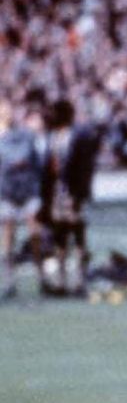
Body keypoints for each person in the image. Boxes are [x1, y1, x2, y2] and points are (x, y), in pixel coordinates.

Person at [37, 98, 100, 297]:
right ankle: (62, 281)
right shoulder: (52, 137)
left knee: (79, 236)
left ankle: (80, 281)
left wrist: (79, 194)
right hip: (57, 192)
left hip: (73, 194)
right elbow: (49, 169)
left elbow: (84, 169)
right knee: (60, 236)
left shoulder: (79, 137)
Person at [0, 99, 44, 300]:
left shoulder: (25, 136)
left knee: (35, 232)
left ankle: (41, 277)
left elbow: (37, 162)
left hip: (27, 192)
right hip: (7, 193)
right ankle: (9, 280)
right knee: (8, 235)